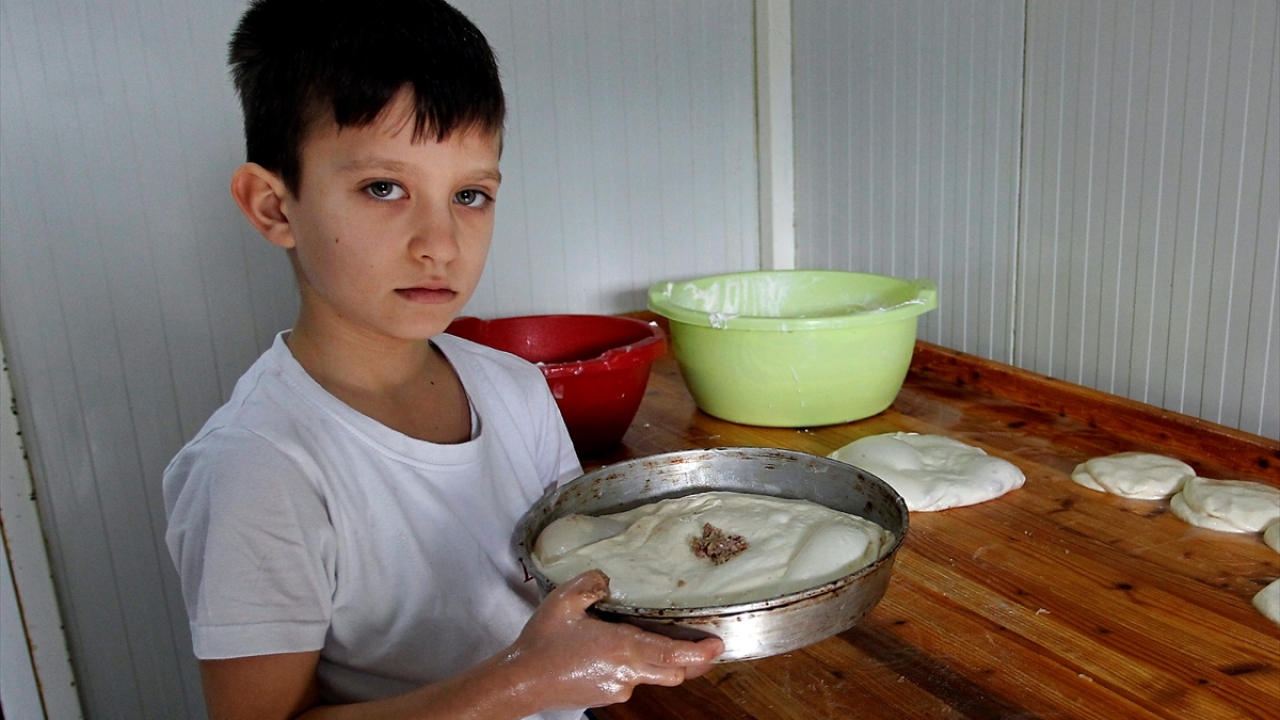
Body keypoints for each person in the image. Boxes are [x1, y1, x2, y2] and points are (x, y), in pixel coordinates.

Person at [161, 1, 724, 718]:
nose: (441, 242)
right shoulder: (258, 468)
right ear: (274, 207)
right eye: (383, 188)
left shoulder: (516, 390)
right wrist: (523, 682)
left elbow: (571, 588)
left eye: (470, 195)